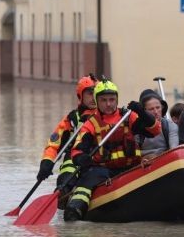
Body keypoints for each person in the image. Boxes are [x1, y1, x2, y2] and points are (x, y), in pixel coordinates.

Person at [63, 79, 161, 221]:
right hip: (102, 170)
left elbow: (155, 130)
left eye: (112, 99)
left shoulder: (128, 116)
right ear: (97, 101)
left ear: (117, 99)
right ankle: (74, 210)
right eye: (103, 100)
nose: (108, 104)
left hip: (130, 167)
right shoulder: (90, 123)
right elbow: (76, 151)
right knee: (87, 181)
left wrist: (142, 112)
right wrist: (81, 158)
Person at [37, 74, 98, 208]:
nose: (93, 97)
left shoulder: (108, 115)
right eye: (89, 93)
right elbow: (54, 144)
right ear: (80, 96)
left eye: (96, 93)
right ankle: (63, 192)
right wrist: (46, 162)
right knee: (69, 166)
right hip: (75, 159)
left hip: (98, 158)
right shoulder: (71, 119)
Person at [137, 89, 178, 157]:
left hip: (166, 162)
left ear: (162, 108)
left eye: (158, 107)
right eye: (151, 109)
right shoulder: (135, 129)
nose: (156, 112)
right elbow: (133, 156)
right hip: (142, 164)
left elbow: (174, 151)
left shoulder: (170, 126)